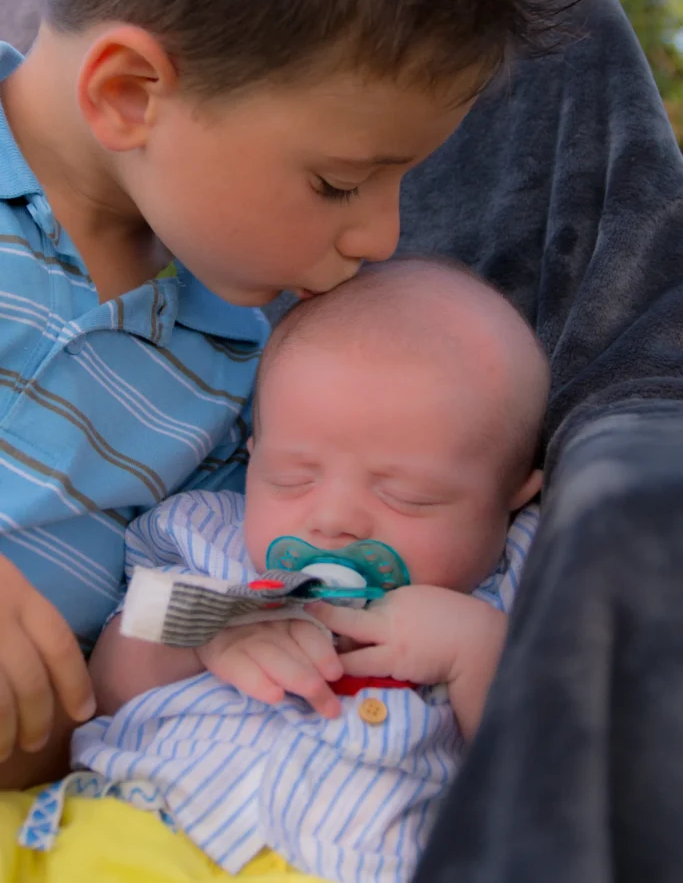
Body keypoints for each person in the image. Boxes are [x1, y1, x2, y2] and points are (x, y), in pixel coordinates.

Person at [0, 0, 571, 789]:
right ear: (131, 94)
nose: (382, 234)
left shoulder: (253, 365)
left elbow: (162, 637)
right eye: (339, 182)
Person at [14, 257, 548, 883]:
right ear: (254, 455)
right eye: (293, 477)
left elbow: (549, 778)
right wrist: (207, 631)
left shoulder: (518, 583)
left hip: (342, 864)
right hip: (124, 827)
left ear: (513, 495)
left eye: (407, 496)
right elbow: (105, 689)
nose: (333, 520)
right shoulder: (207, 538)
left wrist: (476, 653)